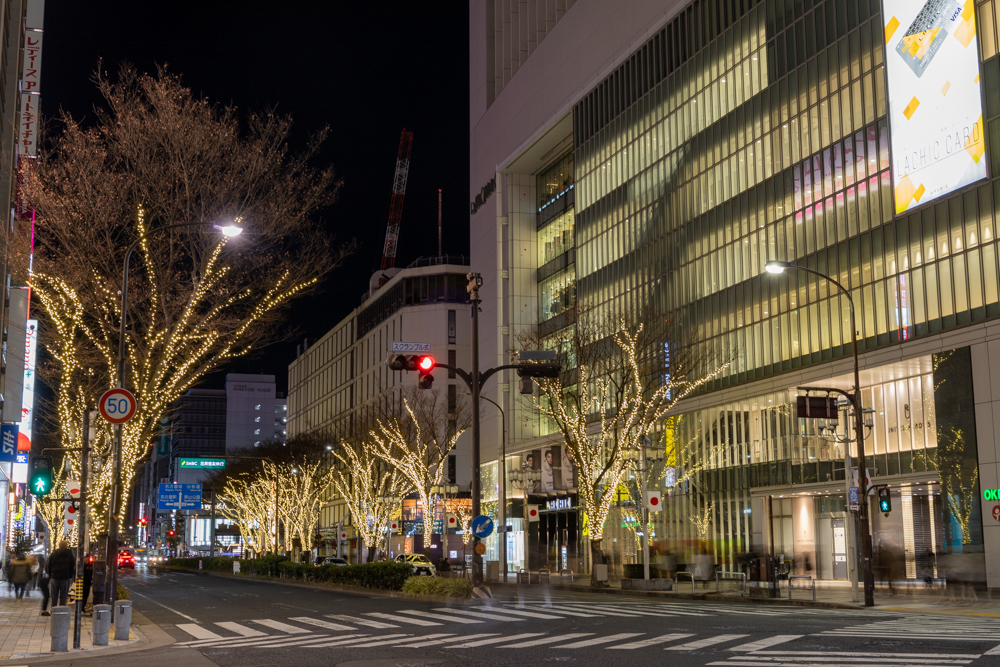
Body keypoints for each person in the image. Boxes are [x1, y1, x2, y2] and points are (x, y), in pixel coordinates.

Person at [47, 540, 76, 607]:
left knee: (54, 596)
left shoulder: (54, 554)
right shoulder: (70, 554)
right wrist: (70, 575)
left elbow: (48, 565)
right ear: (66, 545)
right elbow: (72, 566)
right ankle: (62, 611)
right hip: (65, 577)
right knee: (63, 596)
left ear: (59, 545)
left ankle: (53, 610)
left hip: (55, 577)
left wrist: (51, 574)